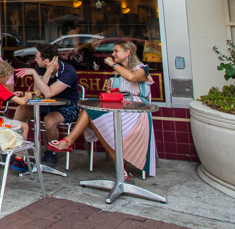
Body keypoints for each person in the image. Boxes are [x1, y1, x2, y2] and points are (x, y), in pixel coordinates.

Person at [47, 40, 157, 178]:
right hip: (117, 109)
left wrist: (113, 64)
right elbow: (113, 93)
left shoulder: (141, 69)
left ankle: (68, 142)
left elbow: (132, 77)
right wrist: (110, 92)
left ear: (128, 52)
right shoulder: (116, 75)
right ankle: (117, 162)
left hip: (137, 112)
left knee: (92, 115)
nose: (113, 54)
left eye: (116, 51)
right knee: (92, 114)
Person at [11, 42, 82, 170]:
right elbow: (38, 92)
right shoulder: (40, 67)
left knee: (50, 120)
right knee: (21, 109)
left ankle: (51, 150)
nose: (35, 60)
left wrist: (35, 72)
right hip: (47, 105)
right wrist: (47, 72)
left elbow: (48, 93)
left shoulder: (68, 72)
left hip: (69, 106)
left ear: (47, 60)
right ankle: (17, 148)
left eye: (37, 58)